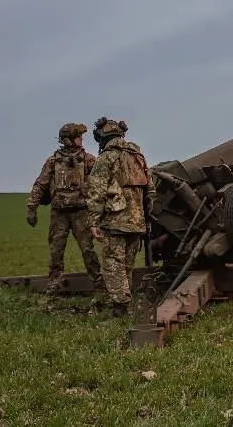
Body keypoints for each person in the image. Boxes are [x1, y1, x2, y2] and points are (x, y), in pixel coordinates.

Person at [85, 117, 157, 317]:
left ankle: (121, 307)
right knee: (126, 265)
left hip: (115, 220)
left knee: (113, 264)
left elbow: (96, 191)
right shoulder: (137, 156)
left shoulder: (107, 157)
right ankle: (124, 301)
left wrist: (94, 222)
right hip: (137, 221)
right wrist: (145, 216)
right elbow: (151, 190)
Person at [27, 123, 104, 295]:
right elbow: (40, 184)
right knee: (56, 250)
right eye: (78, 136)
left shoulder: (88, 159)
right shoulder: (53, 161)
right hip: (59, 213)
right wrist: (32, 207)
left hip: (81, 212)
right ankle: (54, 285)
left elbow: (100, 184)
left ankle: (98, 285)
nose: (81, 139)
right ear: (68, 140)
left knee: (88, 250)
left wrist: (101, 210)